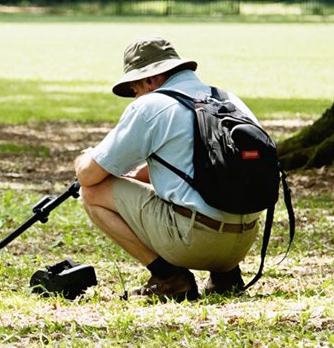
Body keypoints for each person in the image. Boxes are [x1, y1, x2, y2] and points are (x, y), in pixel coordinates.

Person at [74, 36, 263, 301]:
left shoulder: (150, 106)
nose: (136, 95)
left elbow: (88, 175)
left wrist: (86, 156)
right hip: (243, 242)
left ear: (151, 79)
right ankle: (226, 277)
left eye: (135, 87)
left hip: (194, 243)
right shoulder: (227, 99)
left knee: (91, 192)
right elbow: (197, 165)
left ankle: (168, 278)